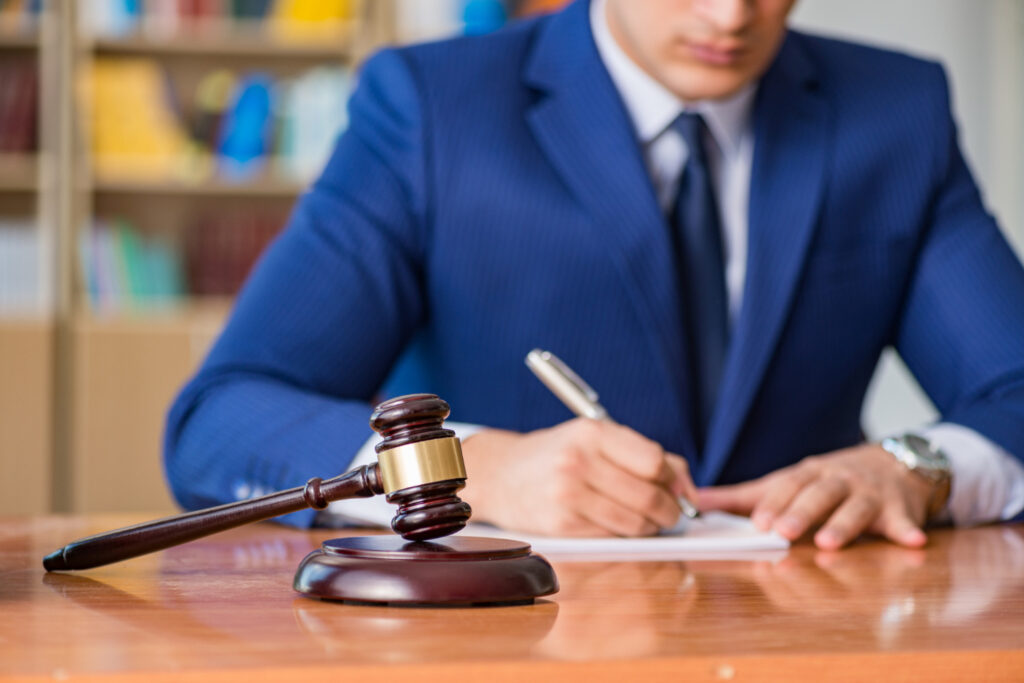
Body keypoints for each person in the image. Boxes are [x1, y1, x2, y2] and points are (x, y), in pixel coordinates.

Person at [164, 0, 1024, 550]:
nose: (730, 17)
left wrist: (917, 465)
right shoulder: (431, 107)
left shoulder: (895, 112)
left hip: (812, 633)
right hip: (501, 638)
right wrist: (480, 471)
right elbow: (221, 421)